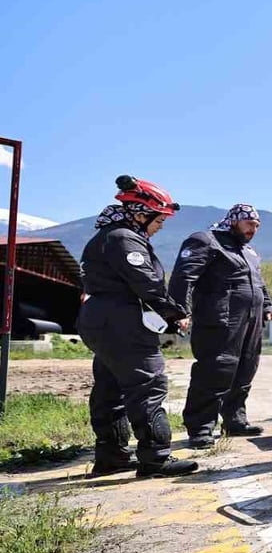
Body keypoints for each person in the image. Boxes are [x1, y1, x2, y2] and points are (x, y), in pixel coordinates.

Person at [78, 175, 199, 478]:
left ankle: (111, 457)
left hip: (101, 319)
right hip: (121, 320)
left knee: (111, 388)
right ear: (141, 214)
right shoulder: (123, 238)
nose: (161, 226)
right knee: (148, 384)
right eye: (159, 220)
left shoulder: (108, 236)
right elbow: (147, 283)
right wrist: (176, 314)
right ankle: (156, 459)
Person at [169, 204, 272, 448]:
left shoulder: (249, 252)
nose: (253, 229)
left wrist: (269, 307)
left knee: (246, 369)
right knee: (216, 370)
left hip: (252, 320)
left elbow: (259, 284)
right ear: (233, 221)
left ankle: (234, 420)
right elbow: (184, 276)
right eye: (249, 224)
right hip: (220, 318)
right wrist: (180, 310)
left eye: (256, 226)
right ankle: (201, 427)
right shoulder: (206, 241)